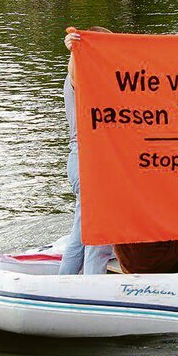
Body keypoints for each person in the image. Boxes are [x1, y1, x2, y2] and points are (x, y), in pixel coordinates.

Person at [59, 26, 114, 275]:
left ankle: (64, 283)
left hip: (81, 161)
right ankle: (93, 291)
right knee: (98, 237)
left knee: (81, 233)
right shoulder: (80, 78)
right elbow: (75, 73)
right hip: (89, 162)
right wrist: (74, 49)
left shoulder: (95, 80)